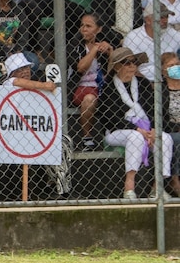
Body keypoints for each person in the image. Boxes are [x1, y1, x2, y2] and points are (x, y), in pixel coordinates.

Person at [96, 47, 173, 200]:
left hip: (146, 128)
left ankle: (157, 188)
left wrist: (153, 129)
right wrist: (137, 128)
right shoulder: (109, 89)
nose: (132, 66)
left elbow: (155, 109)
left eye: (134, 63)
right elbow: (110, 118)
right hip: (117, 130)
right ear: (117, 67)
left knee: (165, 139)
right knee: (135, 137)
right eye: (127, 63)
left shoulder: (143, 84)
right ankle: (129, 187)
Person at [67, 12, 113, 150]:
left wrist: (110, 51)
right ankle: (87, 137)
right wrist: (93, 50)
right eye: (82, 25)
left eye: (88, 26)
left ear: (98, 29)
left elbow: (113, 70)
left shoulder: (103, 44)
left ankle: (113, 134)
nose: (84, 29)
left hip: (102, 86)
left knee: (114, 95)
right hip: (81, 87)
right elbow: (80, 68)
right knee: (89, 98)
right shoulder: (74, 45)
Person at [123, 1, 180, 82]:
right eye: (161, 17)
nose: (165, 21)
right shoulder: (133, 38)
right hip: (142, 83)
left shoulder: (172, 34)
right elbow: (128, 67)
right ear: (148, 20)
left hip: (169, 81)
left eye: (166, 17)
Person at [158, 53, 180, 195]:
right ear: (162, 70)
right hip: (170, 128)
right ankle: (175, 180)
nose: (176, 68)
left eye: (177, 64)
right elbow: (159, 116)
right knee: (177, 139)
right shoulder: (159, 90)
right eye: (171, 66)